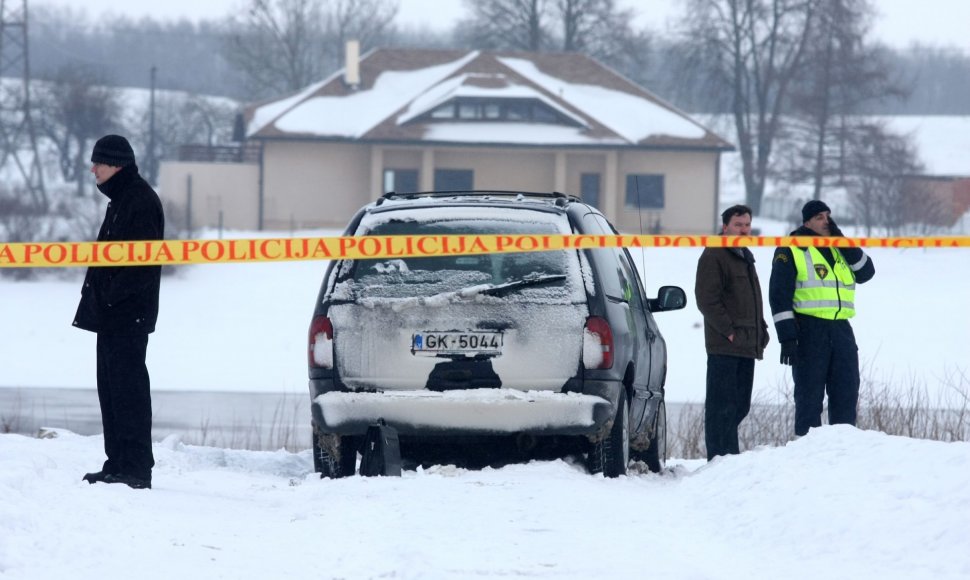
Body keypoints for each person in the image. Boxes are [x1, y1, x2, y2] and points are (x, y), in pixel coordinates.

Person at [74, 135, 164, 490]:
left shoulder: (139, 201)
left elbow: (140, 267)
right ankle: (118, 463)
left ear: (117, 165)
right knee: (111, 391)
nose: (93, 169)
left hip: (127, 315)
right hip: (112, 315)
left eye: (99, 163)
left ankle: (136, 468)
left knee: (128, 392)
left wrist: (109, 298)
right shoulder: (121, 199)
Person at [769, 200, 875, 436]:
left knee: (846, 392)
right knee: (809, 397)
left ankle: (844, 449)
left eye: (828, 216)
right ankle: (806, 454)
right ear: (806, 222)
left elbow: (866, 273)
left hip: (841, 330)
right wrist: (787, 338)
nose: (826, 221)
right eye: (819, 217)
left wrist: (844, 241)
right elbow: (779, 295)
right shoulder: (793, 248)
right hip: (809, 330)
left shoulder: (839, 247)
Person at [695, 205, 769, 460]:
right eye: (738, 225)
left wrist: (762, 330)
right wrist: (728, 331)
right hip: (725, 345)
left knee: (739, 406)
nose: (744, 229)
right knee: (721, 408)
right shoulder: (715, 254)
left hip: (747, 345)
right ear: (725, 226)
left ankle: (729, 459)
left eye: (747, 225)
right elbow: (706, 299)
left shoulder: (744, 256)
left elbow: (750, 300)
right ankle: (719, 460)